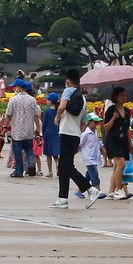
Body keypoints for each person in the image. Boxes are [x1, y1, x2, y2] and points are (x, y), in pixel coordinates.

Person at [50, 74, 98, 209]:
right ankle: (62, 198)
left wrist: (57, 118)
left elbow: (61, 106)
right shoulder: (82, 98)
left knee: (66, 167)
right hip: (75, 134)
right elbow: (83, 123)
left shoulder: (68, 91)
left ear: (68, 81)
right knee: (63, 167)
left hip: (66, 133)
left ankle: (90, 189)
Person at [5, 82, 38, 178]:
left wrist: (5, 126)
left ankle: (19, 171)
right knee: (29, 149)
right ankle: (31, 165)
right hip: (29, 129)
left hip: (17, 130)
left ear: (18, 88)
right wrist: (38, 128)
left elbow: (8, 114)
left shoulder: (13, 100)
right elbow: (36, 115)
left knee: (18, 151)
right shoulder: (32, 100)